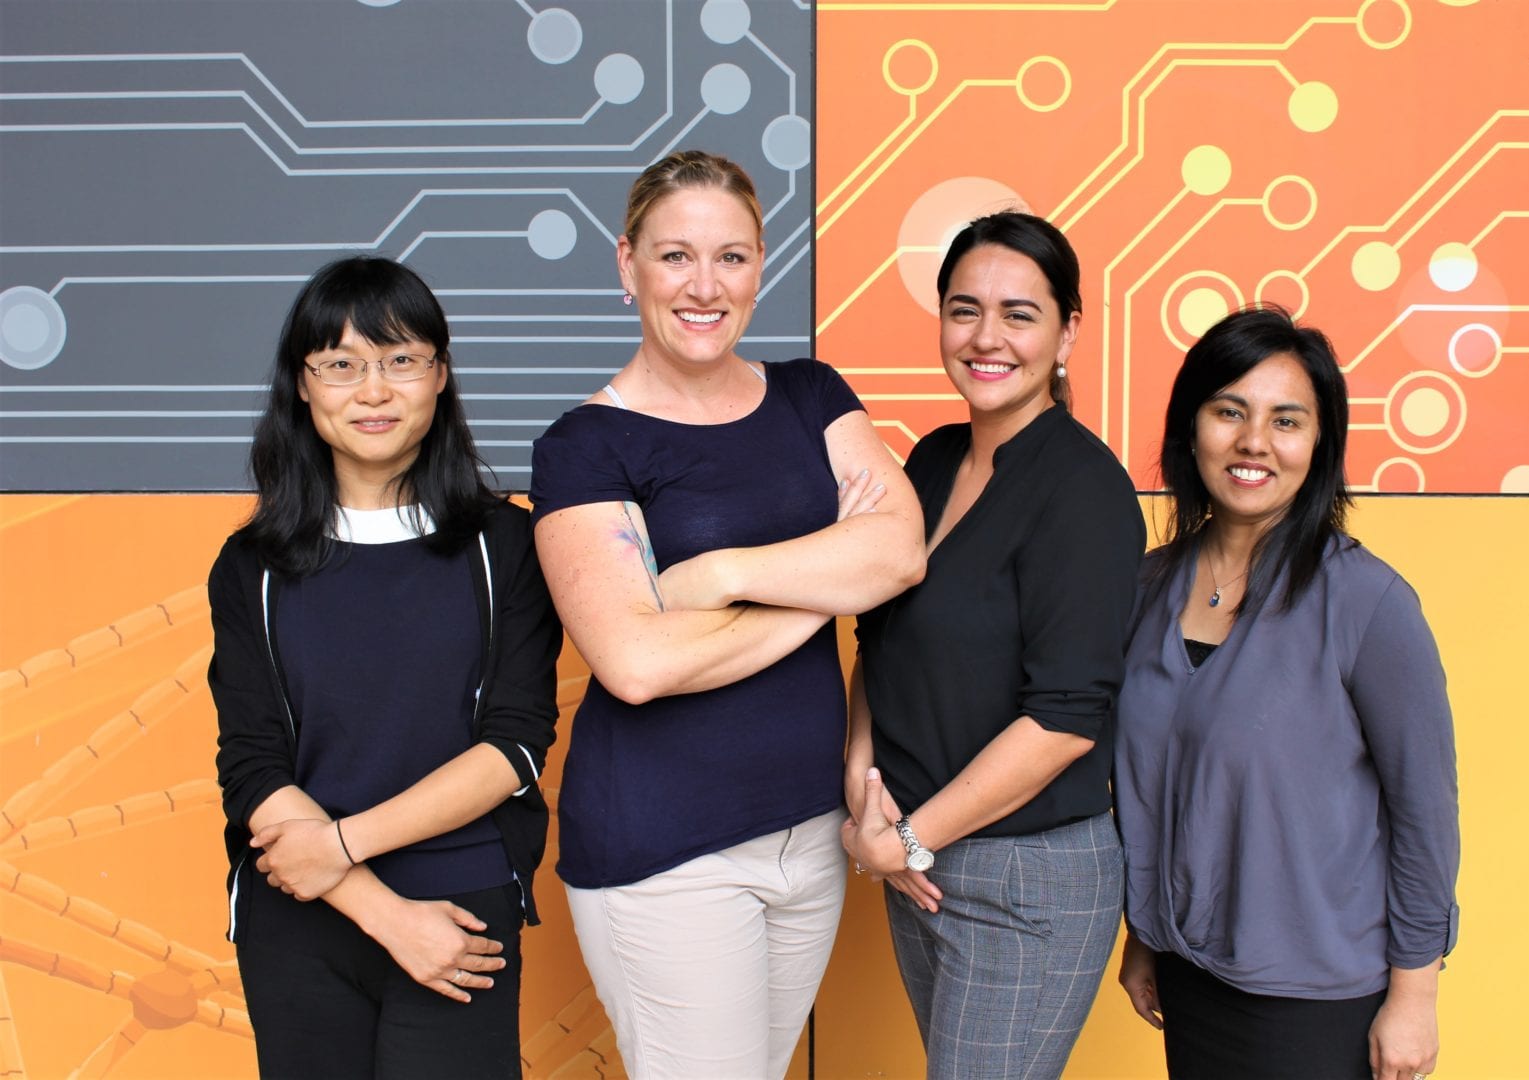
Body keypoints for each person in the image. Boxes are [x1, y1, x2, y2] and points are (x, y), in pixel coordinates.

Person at [527, 149, 926, 1079]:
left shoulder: (812, 397)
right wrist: (827, 589)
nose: (704, 285)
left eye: (732, 257)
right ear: (627, 265)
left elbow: (900, 550)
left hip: (809, 834)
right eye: (674, 257)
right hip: (667, 849)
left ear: (760, 265)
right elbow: (635, 663)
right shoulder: (585, 448)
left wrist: (718, 574)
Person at [209, 256, 561, 1079]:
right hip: (300, 911)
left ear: (439, 375)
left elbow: (513, 747)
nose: (373, 390)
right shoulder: (251, 565)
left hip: (460, 907)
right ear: (303, 385)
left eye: (401, 360)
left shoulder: (502, 544)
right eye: (340, 365)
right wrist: (379, 909)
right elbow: (252, 765)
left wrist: (340, 843)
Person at [1113, 305, 1460, 1080]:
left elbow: (1423, 819)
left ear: (1320, 444)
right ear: (1190, 427)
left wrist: (1415, 997)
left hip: (1318, 995)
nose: (1253, 443)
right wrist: (1146, 934)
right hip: (1188, 975)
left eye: (1286, 421)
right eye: (1228, 411)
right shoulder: (1147, 588)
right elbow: (1164, 785)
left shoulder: (1369, 606)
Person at [841, 211, 1145, 1078]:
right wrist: (868, 800)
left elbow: (1066, 719)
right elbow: (876, 641)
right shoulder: (931, 461)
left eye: (1019, 313)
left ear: (1068, 332)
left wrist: (909, 838)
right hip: (920, 862)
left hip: (1026, 883)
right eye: (964, 309)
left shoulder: (1084, 492)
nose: (986, 338)